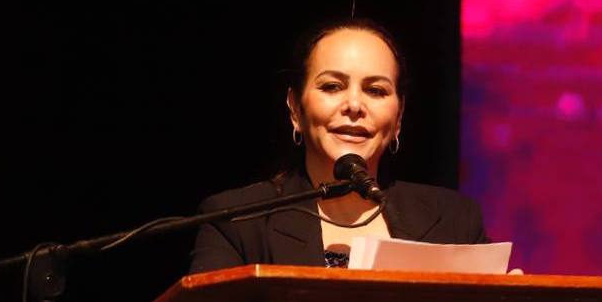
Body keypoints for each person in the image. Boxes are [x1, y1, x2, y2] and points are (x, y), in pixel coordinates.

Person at [188, 19, 488, 273]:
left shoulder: (455, 221)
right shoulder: (237, 223)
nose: (354, 105)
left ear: (399, 116)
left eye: (376, 90)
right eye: (332, 86)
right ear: (295, 108)